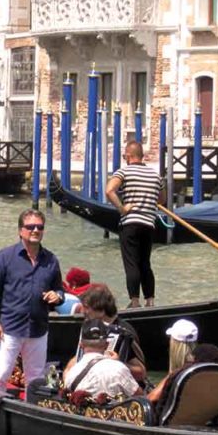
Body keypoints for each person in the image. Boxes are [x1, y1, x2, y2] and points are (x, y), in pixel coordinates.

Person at [0, 209, 65, 392]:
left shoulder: (51, 260)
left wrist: (57, 296)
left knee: (35, 380)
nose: (35, 230)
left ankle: (30, 414)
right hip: (9, 328)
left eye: (40, 227)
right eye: (30, 227)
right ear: (21, 230)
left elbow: (60, 289)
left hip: (38, 329)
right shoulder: (6, 257)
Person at [106, 140, 164, 308]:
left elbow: (109, 190)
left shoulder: (124, 172)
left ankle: (135, 301)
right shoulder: (155, 175)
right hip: (148, 224)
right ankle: (150, 301)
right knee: (145, 262)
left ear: (129, 156)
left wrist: (122, 209)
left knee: (131, 263)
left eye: (125, 156)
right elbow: (162, 199)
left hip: (130, 223)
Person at [79, 284, 148, 385]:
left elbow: (141, 373)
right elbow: (79, 357)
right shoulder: (89, 327)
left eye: (86, 307)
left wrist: (118, 364)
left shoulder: (124, 333)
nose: (82, 311)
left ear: (101, 310)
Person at [63, 318, 142, 400]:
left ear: (81, 345)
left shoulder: (70, 373)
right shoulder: (118, 369)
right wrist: (119, 363)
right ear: (107, 344)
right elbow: (140, 398)